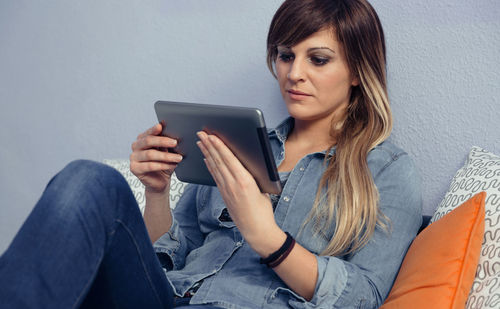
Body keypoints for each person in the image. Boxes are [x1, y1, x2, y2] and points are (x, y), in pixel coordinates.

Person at [0, 0, 422, 308]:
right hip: (167, 298)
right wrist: (157, 192)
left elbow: (365, 296)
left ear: (356, 71)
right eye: (285, 55)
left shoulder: (387, 172)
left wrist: (268, 239)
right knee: (90, 180)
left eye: (318, 59)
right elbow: (173, 253)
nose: (294, 74)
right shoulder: (233, 144)